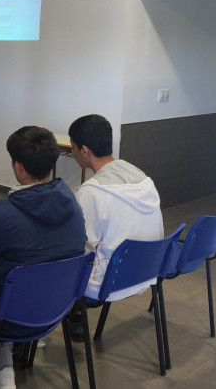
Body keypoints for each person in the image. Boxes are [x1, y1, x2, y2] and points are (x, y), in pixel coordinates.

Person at [0, 126, 87, 389]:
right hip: (55, 311)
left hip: (6, 319)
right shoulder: (73, 204)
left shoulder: (3, 214)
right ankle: (4, 365)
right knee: (11, 285)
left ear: (18, 167)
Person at [68, 114, 164, 303]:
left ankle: (75, 321)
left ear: (84, 150)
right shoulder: (143, 178)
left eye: (73, 147)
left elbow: (82, 245)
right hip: (147, 271)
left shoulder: (92, 192)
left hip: (106, 284)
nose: (73, 152)